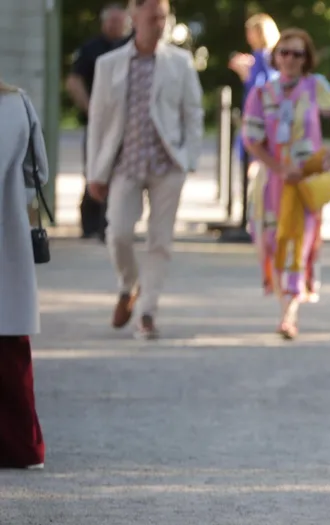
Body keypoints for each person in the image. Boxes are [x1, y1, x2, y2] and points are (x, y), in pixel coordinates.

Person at [86, 0, 204, 340]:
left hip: (168, 165)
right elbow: (98, 121)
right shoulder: (109, 64)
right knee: (118, 234)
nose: (159, 23)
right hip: (126, 163)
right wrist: (95, 173)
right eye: (153, 17)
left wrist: (189, 158)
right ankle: (129, 285)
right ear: (133, 16)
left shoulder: (179, 62)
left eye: (163, 17)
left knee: (160, 240)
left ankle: (148, 312)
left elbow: (193, 113)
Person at [242, 28, 330, 339]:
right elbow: (252, 139)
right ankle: (284, 302)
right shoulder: (262, 93)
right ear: (275, 56)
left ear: (306, 58)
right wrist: (277, 167)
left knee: (300, 241)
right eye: (284, 52)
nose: (289, 59)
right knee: (272, 240)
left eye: (297, 54)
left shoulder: (315, 87)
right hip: (272, 182)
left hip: (305, 180)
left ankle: (288, 312)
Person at [0, 80, 49, 469]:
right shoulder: (16, 103)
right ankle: (19, 446)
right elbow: (38, 173)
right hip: (6, 239)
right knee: (9, 351)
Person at [65, 3, 131, 242]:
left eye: (120, 22)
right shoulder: (90, 49)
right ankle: (90, 224)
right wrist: (91, 108)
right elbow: (74, 81)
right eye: (112, 22)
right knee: (95, 170)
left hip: (127, 123)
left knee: (123, 175)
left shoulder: (132, 46)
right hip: (99, 123)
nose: (116, 26)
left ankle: (112, 225)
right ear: (104, 23)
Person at [228, 13, 279, 199]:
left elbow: (259, 88)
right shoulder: (271, 56)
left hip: (259, 116)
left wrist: (244, 73)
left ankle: (253, 201)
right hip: (266, 115)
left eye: (251, 32)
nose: (248, 36)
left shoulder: (263, 56)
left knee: (254, 160)